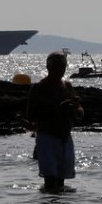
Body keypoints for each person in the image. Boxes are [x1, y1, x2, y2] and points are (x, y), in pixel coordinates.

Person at [27, 51, 83, 190]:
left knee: (61, 183)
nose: (59, 71)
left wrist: (76, 108)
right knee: (50, 181)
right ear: (48, 68)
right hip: (47, 138)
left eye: (62, 67)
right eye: (56, 67)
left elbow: (80, 113)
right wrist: (57, 109)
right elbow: (31, 115)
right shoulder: (39, 87)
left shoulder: (68, 86)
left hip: (65, 139)